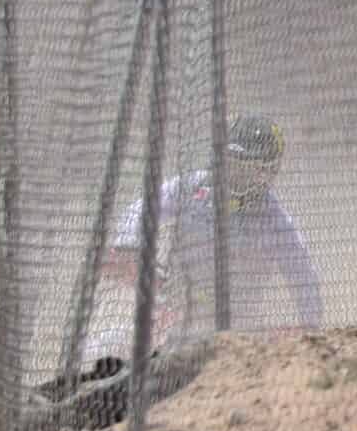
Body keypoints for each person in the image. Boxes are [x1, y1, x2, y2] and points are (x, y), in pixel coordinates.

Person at [108, 113, 321, 331]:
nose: (234, 176)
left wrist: (310, 329)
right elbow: (144, 207)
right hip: (173, 307)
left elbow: (303, 276)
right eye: (231, 166)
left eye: (245, 170)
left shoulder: (273, 219)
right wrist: (128, 244)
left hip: (235, 326)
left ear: (266, 174)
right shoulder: (192, 187)